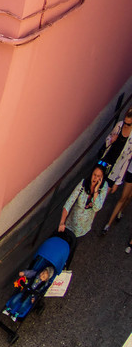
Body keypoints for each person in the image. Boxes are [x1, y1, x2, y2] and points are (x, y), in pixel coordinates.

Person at [60, 163, 107, 259]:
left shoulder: (103, 188)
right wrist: (62, 222)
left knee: (71, 250)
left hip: (83, 228)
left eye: (98, 176)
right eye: (94, 175)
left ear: (101, 178)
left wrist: (96, 191)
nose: (95, 178)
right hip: (71, 224)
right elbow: (69, 202)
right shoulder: (83, 184)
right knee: (61, 247)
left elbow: (97, 207)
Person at [100, 107, 132, 236]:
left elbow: (126, 161)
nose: (125, 124)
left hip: (117, 170)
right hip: (105, 164)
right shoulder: (119, 126)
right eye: (125, 122)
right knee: (96, 191)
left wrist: (118, 181)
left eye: (128, 123)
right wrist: (111, 141)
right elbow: (108, 140)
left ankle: (109, 222)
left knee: (122, 197)